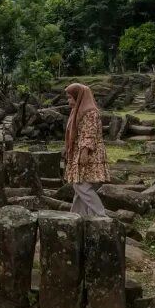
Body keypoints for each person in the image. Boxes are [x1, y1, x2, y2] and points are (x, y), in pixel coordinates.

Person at [63, 82, 108, 216]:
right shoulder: (77, 111)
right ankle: (77, 216)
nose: (68, 100)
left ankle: (101, 215)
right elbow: (73, 133)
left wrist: (84, 152)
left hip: (88, 152)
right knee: (79, 186)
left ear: (79, 96)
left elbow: (89, 133)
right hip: (81, 150)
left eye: (71, 97)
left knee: (80, 185)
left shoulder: (89, 112)